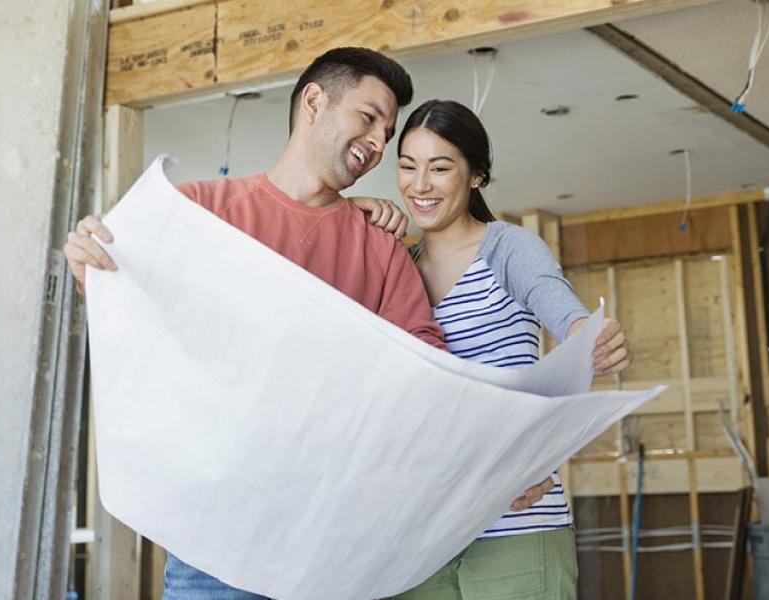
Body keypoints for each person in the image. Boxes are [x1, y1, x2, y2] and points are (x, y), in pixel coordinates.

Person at [64, 47, 442, 600]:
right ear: (314, 101)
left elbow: (429, 373)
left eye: (388, 131)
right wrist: (87, 269)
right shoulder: (197, 210)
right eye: (369, 118)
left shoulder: (380, 248)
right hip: (214, 547)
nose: (380, 143)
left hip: (334, 547)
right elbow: (129, 305)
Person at [379, 100, 632, 599]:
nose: (419, 185)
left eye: (440, 167)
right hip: (420, 535)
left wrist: (590, 336)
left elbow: (563, 312)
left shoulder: (508, 248)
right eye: (407, 167)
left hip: (515, 522)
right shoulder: (395, 266)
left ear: (475, 176)